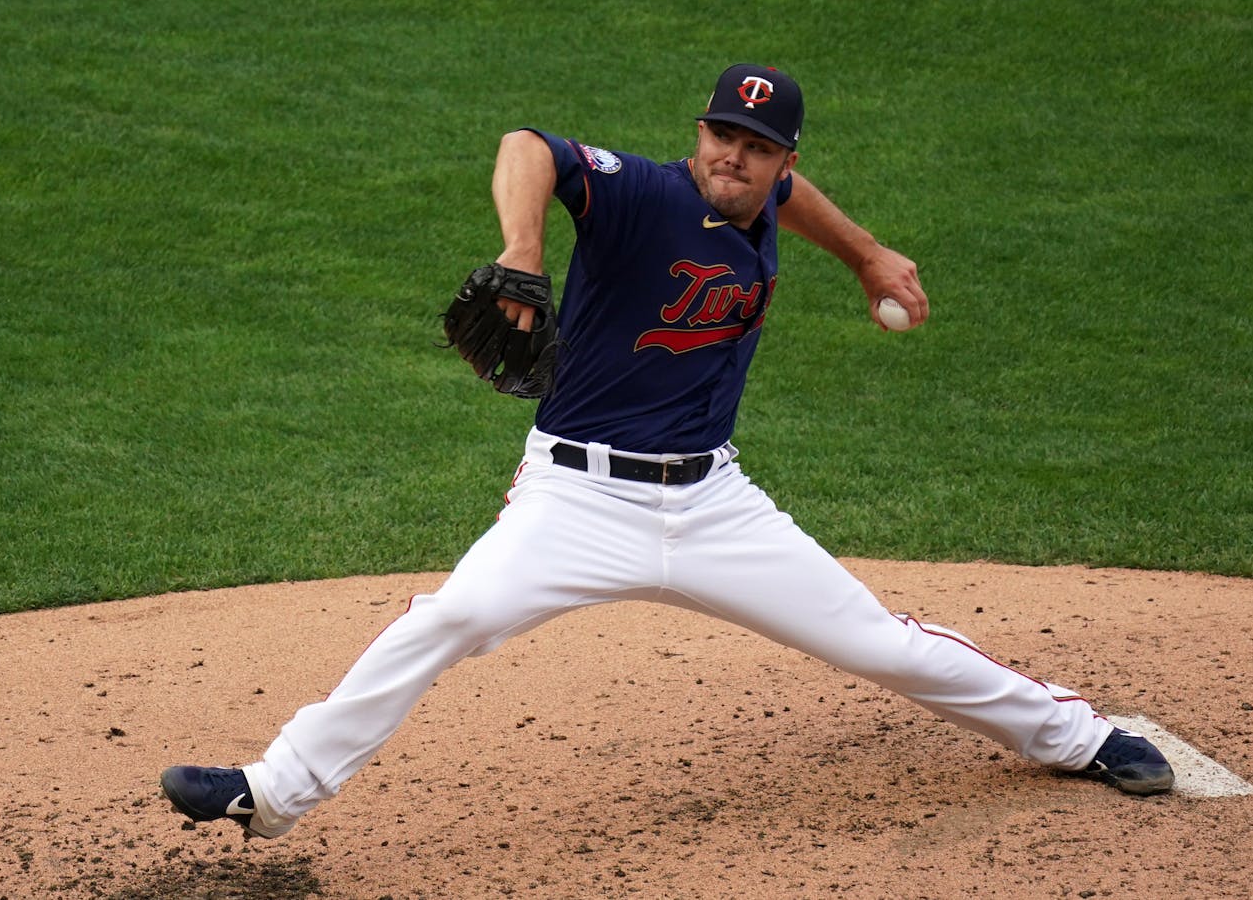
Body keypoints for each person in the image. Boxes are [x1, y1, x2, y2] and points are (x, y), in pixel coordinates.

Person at [160, 63, 1174, 839]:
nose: (731, 156)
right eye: (718, 134)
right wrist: (521, 249)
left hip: (712, 507)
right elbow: (529, 145)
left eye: (754, 145)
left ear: (781, 157)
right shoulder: (641, 193)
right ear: (698, 134)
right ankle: (273, 790)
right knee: (454, 614)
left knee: (877, 643)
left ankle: (1073, 736)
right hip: (574, 500)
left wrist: (865, 252)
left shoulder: (766, 196)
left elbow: (794, 202)